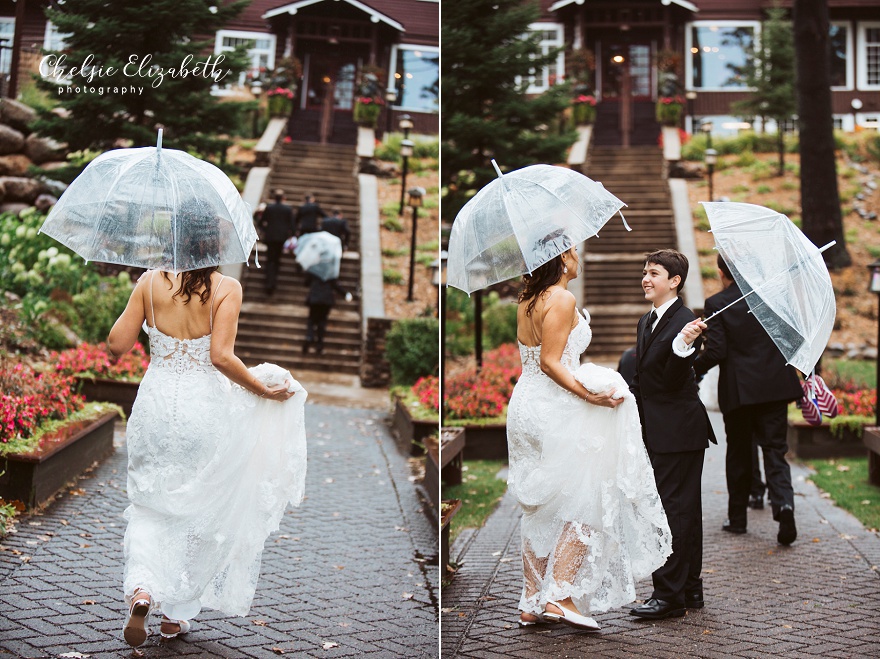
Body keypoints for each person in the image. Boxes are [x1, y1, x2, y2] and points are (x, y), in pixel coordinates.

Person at [108, 261, 307, 648]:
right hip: (204, 410)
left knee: (149, 502)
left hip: (156, 405)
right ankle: (173, 615)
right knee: (197, 504)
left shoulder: (149, 283)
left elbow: (117, 343)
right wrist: (262, 390)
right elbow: (221, 356)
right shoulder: (226, 288)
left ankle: (143, 589)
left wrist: (141, 295)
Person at [506, 242, 672, 632]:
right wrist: (590, 395)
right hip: (554, 406)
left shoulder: (529, 297)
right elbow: (551, 362)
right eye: (574, 252)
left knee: (539, 505)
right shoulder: (561, 298)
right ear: (563, 258)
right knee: (586, 495)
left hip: (525, 404)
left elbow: (537, 361)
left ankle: (531, 602)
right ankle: (560, 596)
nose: (578, 258)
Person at [629, 248, 717, 621]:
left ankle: (669, 596)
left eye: (654, 273)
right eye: (645, 272)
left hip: (678, 430)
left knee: (673, 512)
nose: (646, 279)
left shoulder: (686, 323)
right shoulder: (647, 320)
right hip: (659, 429)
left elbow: (674, 377)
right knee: (683, 511)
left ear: (675, 281)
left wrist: (685, 344)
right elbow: (644, 379)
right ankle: (690, 588)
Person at [690, 254, 802, 545]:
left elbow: (716, 352)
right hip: (776, 387)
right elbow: (790, 340)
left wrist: (692, 370)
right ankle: (784, 505)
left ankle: (737, 518)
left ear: (720, 271)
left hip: (740, 391)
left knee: (739, 453)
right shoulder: (772, 297)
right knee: (775, 449)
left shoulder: (718, 304)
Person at [258, 189, 296, 295]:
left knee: (270, 259)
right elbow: (292, 225)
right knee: (277, 258)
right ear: (283, 198)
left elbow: (261, 222)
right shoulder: (287, 209)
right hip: (281, 238)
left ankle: (269, 283)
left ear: (274, 198)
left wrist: (266, 230)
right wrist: (291, 235)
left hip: (270, 237)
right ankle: (273, 282)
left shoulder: (269, 208)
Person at [303, 273, 352, 354]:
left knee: (311, 320)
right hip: (326, 300)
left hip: (314, 298)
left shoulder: (315, 269)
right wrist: (345, 294)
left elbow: (306, 283)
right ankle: (319, 344)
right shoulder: (330, 271)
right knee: (322, 321)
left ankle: (309, 336)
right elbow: (336, 285)